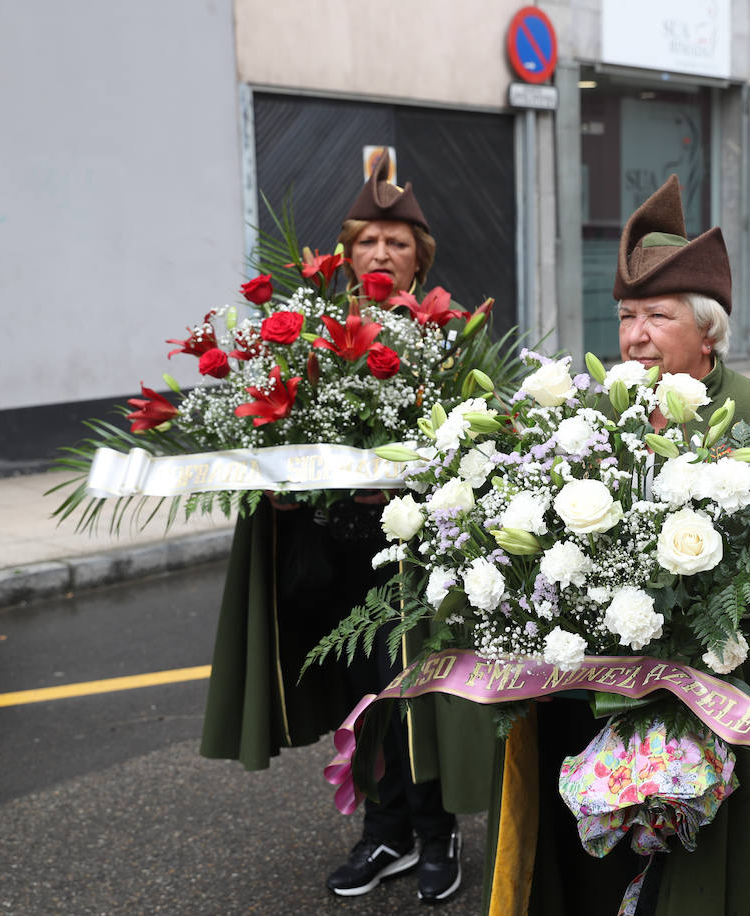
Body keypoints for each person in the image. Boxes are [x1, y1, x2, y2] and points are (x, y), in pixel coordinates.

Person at [479, 176, 750, 915]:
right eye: (626, 316)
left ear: (708, 332)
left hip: (731, 679)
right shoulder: (598, 407)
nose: (634, 337)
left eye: (657, 317)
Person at [199, 155, 485, 903]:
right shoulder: (309, 334)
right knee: (359, 690)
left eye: (398, 243)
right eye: (369, 242)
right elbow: (282, 432)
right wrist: (284, 493)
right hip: (328, 552)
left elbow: (475, 445)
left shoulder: (447, 339)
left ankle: (434, 829)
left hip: (412, 555)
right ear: (348, 253)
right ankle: (383, 832)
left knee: (411, 687)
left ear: (419, 257)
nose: (382, 255)